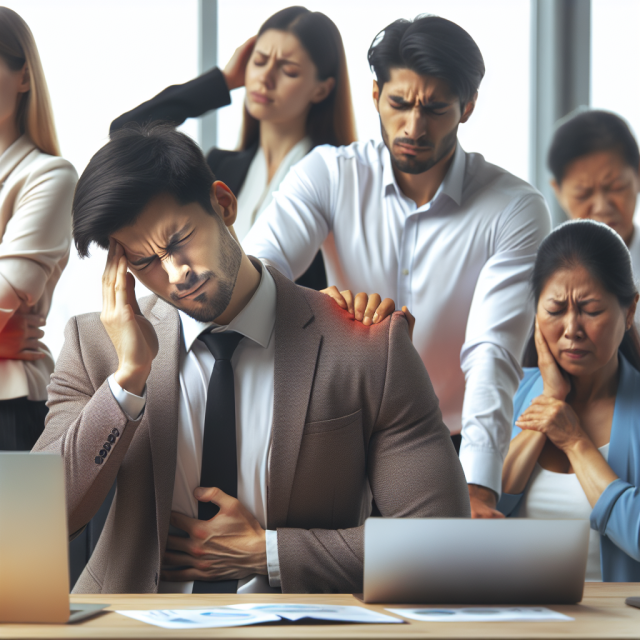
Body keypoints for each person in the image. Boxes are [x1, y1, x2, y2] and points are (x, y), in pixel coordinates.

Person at [33, 123, 469, 594]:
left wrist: (270, 552)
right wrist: (128, 381)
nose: (177, 273)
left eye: (179, 240)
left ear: (224, 204)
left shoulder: (365, 344)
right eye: (146, 262)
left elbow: (442, 544)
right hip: (129, 623)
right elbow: (35, 522)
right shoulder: (94, 345)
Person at [243, 15, 551, 517]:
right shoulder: (328, 174)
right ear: (374, 95)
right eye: (399, 103)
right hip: (340, 440)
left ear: (467, 107)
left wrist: (477, 486)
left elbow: (492, 351)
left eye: (434, 109)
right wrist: (318, 305)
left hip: (450, 448)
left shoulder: (514, 208)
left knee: (441, 591)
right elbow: (256, 272)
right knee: (321, 586)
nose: (412, 126)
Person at [111, 6, 357, 291]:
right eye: (259, 61)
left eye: (288, 70)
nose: (265, 78)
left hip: (298, 330)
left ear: (322, 89)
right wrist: (222, 82)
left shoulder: (337, 180)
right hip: (213, 330)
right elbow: (125, 132)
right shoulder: (220, 166)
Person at [499, 220, 640, 582]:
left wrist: (575, 442)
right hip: (518, 621)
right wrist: (549, 399)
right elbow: (474, 512)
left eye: (591, 310)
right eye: (555, 309)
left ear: (629, 311)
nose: (571, 329)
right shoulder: (507, 391)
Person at [0, 7, 77, 450]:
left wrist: (7, 326)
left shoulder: (49, 175)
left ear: (23, 76)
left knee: (25, 524)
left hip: (14, 407)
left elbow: (8, 293)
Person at [547, 109, 640, 321]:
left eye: (616, 187)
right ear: (558, 191)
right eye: (583, 194)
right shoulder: (539, 273)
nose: (601, 207)